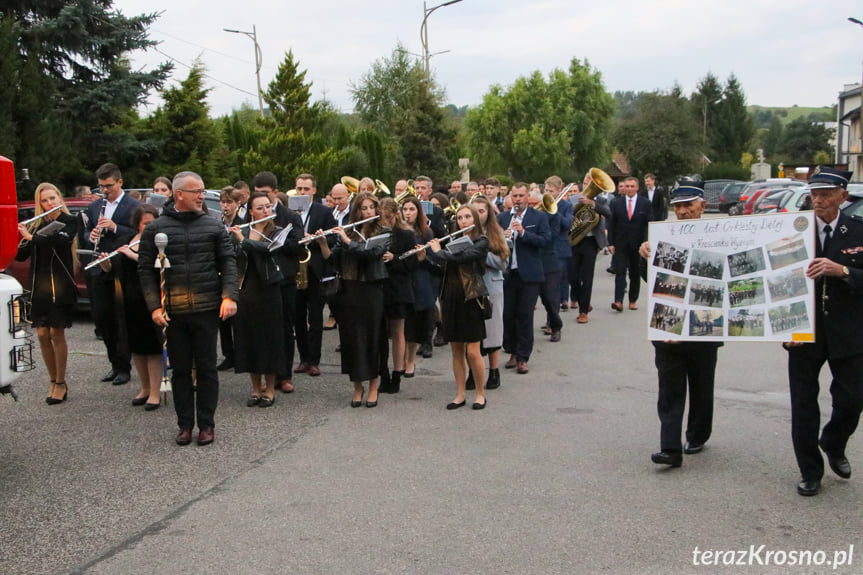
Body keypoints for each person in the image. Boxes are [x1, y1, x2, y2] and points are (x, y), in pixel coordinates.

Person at [138, 171, 238, 447]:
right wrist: (153, 307)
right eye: (197, 191)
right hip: (172, 311)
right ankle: (184, 425)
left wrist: (230, 296)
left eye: (203, 191)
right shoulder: (155, 228)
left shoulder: (213, 225)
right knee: (180, 370)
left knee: (207, 368)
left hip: (206, 309)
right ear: (178, 194)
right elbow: (145, 269)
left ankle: (206, 424)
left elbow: (228, 262)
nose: (202, 196)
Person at [782, 166, 863, 496]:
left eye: (826, 195)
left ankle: (833, 442)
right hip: (802, 330)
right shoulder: (791, 229)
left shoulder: (858, 230)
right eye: (814, 194)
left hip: (849, 331)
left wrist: (842, 270)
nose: (818, 200)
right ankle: (810, 471)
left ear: (843, 196)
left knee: (852, 399)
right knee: (803, 404)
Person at [638, 181, 721, 469]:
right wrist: (645, 254)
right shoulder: (663, 235)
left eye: (689, 205)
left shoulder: (718, 236)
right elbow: (651, 281)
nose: (683, 211)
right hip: (668, 324)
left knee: (701, 384)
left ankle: (697, 434)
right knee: (669, 389)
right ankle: (670, 447)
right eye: (679, 207)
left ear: (702, 206)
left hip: (705, 324)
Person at [317, 192, 389, 408]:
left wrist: (347, 240)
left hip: (371, 290)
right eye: (363, 208)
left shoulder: (383, 232)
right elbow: (333, 259)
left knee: (372, 337)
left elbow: (371, 254)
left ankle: (374, 384)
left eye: (371, 208)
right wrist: (322, 243)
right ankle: (357, 385)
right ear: (357, 211)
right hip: (349, 290)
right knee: (351, 339)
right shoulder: (350, 230)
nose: (368, 212)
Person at [15, 183, 80, 405]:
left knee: (56, 333)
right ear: (39, 204)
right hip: (39, 286)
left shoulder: (69, 222)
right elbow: (20, 256)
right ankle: (52, 380)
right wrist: (20, 236)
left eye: (53, 198)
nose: (50, 203)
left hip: (59, 285)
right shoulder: (35, 225)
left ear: (60, 198)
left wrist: (33, 238)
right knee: (42, 334)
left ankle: (61, 382)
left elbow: (60, 241)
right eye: (45, 200)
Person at [423, 204, 490, 410]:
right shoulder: (452, 241)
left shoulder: (481, 241)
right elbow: (442, 268)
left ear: (475, 220)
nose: (463, 221)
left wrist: (438, 252)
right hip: (451, 297)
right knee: (456, 350)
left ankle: (480, 393)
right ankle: (460, 394)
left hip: (471, 297)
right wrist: (424, 257)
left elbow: (463, 257)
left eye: (468, 217)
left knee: (473, 351)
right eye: (460, 218)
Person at [229, 192, 288, 408]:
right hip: (246, 290)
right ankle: (255, 389)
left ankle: (270, 389)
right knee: (249, 340)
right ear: (251, 211)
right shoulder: (241, 230)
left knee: (270, 340)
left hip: (269, 291)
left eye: (268, 207)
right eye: (260, 208)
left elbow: (269, 249)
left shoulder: (278, 230)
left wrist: (244, 241)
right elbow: (232, 255)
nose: (265, 211)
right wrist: (236, 239)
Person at [83, 163, 140, 386]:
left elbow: (140, 232)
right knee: (103, 318)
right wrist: (92, 235)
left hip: (123, 268)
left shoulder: (134, 205)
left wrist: (115, 227)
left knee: (121, 320)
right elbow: (85, 232)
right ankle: (114, 364)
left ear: (120, 182)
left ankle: (124, 367)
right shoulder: (96, 206)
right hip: (99, 267)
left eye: (108, 186)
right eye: (101, 187)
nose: (104, 191)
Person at [106, 204, 164, 410]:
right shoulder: (127, 240)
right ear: (137, 224)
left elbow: (159, 266)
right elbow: (116, 269)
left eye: (152, 223)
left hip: (150, 300)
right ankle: (145, 388)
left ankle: (156, 392)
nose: (150, 226)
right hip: (129, 300)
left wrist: (133, 256)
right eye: (145, 223)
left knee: (153, 348)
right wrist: (105, 263)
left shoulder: (160, 241)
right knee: (137, 348)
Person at [252, 172, 306, 393]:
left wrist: (277, 242)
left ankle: (284, 375)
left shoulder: (290, 217)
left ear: (275, 193)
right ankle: (265, 374)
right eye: (258, 195)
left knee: (285, 329)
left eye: (266, 194)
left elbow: (300, 246)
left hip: (284, 279)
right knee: (263, 330)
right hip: (258, 282)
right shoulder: (251, 217)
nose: (263, 199)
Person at [497, 182, 552, 374]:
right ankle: (511, 351)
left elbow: (545, 241)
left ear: (528, 197)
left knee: (525, 316)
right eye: (515, 196)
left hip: (529, 274)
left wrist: (523, 233)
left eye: (521, 196)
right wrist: (502, 238)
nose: (518, 199)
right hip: (507, 274)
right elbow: (493, 242)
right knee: (508, 315)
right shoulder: (502, 217)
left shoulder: (539, 217)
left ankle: (523, 357)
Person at [294, 173, 337, 378]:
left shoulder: (324, 211)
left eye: (306, 189)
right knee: (297, 317)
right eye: (299, 188)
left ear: (314, 191)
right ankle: (303, 358)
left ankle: (314, 360)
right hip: (295, 269)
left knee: (316, 317)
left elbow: (334, 236)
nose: (302, 192)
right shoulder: (289, 211)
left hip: (315, 269)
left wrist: (319, 239)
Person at [467, 195, 508, 391]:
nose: (477, 215)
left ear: (488, 213)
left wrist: (480, 254)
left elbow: (502, 263)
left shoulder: (496, 232)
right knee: (471, 332)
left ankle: (493, 371)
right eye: (474, 212)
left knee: (492, 331)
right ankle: (472, 372)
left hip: (491, 286)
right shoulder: (465, 231)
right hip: (469, 286)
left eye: (481, 211)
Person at [379, 197, 416, 394]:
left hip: (398, 287)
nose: (384, 221)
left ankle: (397, 372)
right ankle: (382, 371)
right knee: (379, 332)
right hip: (380, 286)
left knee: (397, 331)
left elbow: (412, 265)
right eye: (381, 217)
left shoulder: (406, 235)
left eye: (388, 217)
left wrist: (394, 259)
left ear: (395, 215)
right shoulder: (375, 232)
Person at [569, 173, 611, 324]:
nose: (588, 185)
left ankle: (583, 311)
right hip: (573, 241)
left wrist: (593, 205)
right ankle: (583, 300)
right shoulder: (573, 199)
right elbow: (567, 217)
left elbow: (609, 214)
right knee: (572, 276)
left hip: (591, 242)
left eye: (591, 182)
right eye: (587, 181)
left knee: (587, 277)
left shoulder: (600, 200)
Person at [401, 196, 435, 379]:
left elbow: (433, 262)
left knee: (414, 323)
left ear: (418, 212)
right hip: (401, 279)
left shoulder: (426, 232)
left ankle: (410, 361)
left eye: (412, 209)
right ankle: (401, 359)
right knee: (400, 324)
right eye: (405, 209)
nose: (408, 213)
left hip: (419, 280)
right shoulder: (397, 230)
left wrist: (423, 258)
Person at [608, 176, 652, 312]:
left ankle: (633, 300)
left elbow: (648, 224)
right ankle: (618, 301)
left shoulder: (645, 203)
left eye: (632, 186)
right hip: (621, 243)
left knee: (635, 272)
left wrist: (646, 241)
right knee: (620, 272)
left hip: (637, 243)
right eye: (627, 186)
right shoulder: (616, 203)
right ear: (624, 188)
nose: (629, 189)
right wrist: (611, 243)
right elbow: (611, 224)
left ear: (637, 188)